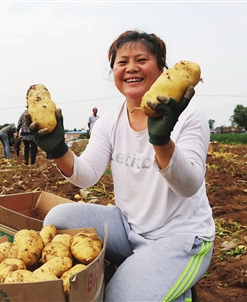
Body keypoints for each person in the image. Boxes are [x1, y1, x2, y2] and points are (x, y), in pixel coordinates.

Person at [26, 30, 215, 301]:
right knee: (57, 220)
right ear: (113, 71)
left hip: (181, 237)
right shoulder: (108, 122)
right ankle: (145, 273)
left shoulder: (189, 117)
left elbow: (190, 185)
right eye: (122, 62)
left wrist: (161, 140)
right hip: (130, 228)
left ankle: (174, 286)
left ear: (163, 69)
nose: (131, 68)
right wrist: (58, 150)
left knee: (118, 299)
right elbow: (87, 174)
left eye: (141, 60)